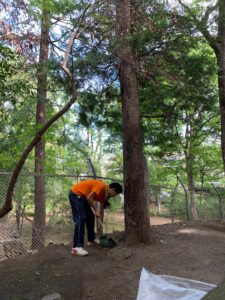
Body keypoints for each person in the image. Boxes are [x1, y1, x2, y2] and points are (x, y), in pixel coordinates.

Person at [69, 179, 123, 256]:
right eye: (115, 194)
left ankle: (91, 240)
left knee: (90, 216)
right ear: (112, 189)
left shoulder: (105, 194)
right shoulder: (101, 186)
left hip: (83, 197)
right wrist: (96, 211)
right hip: (76, 194)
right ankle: (76, 248)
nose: (114, 196)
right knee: (81, 218)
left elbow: (101, 205)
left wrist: (99, 214)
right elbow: (89, 198)